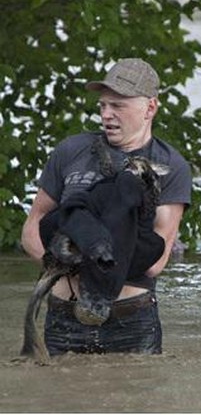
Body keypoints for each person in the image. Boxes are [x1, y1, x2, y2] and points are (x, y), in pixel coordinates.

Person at [21, 57, 191, 356]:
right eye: (103, 106)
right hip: (63, 316)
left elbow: (155, 262)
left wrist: (99, 272)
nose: (107, 114)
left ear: (150, 108)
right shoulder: (71, 150)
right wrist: (64, 264)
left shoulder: (170, 166)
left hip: (132, 321)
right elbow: (33, 226)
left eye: (118, 106)